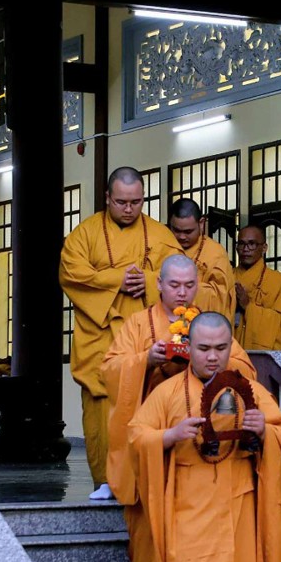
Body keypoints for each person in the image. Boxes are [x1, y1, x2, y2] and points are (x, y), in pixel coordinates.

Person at [127, 312, 281, 562]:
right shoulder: (168, 393)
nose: (213, 357)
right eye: (204, 348)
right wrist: (170, 436)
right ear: (188, 348)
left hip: (240, 516)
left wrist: (264, 432)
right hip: (191, 520)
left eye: (221, 348)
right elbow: (136, 436)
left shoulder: (249, 391)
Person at [99, 256, 257, 562]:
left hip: (202, 440)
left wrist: (209, 358)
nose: (182, 293)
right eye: (174, 285)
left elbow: (245, 369)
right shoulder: (138, 323)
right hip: (157, 429)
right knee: (153, 509)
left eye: (189, 285)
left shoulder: (207, 325)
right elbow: (109, 370)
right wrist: (145, 360)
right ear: (159, 284)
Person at [59, 166, 181, 494]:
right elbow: (70, 273)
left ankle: (144, 484)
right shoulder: (84, 234)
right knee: (101, 415)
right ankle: (105, 482)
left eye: (136, 202)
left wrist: (150, 282)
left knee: (146, 406)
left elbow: (181, 277)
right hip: (100, 341)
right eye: (121, 202)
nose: (129, 209)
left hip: (145, 342)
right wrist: (118, 280)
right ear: (107, 198)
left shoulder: (160, 235)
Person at [168, 198, 237, 318]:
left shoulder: (215, 253)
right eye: (176, 230)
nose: (182, 237)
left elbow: (221, 297)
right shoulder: (164, 246)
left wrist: (183, 287)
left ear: (201, 223)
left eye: (188, 231)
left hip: (200, 323)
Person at [234, 225, 281, 350]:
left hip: (260, 355)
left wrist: (249, 307)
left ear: (264, 248)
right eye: (241, 244)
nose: (245, 249)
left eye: (252, 244)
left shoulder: (279, 281)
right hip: (228, 351)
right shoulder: (227, 277)